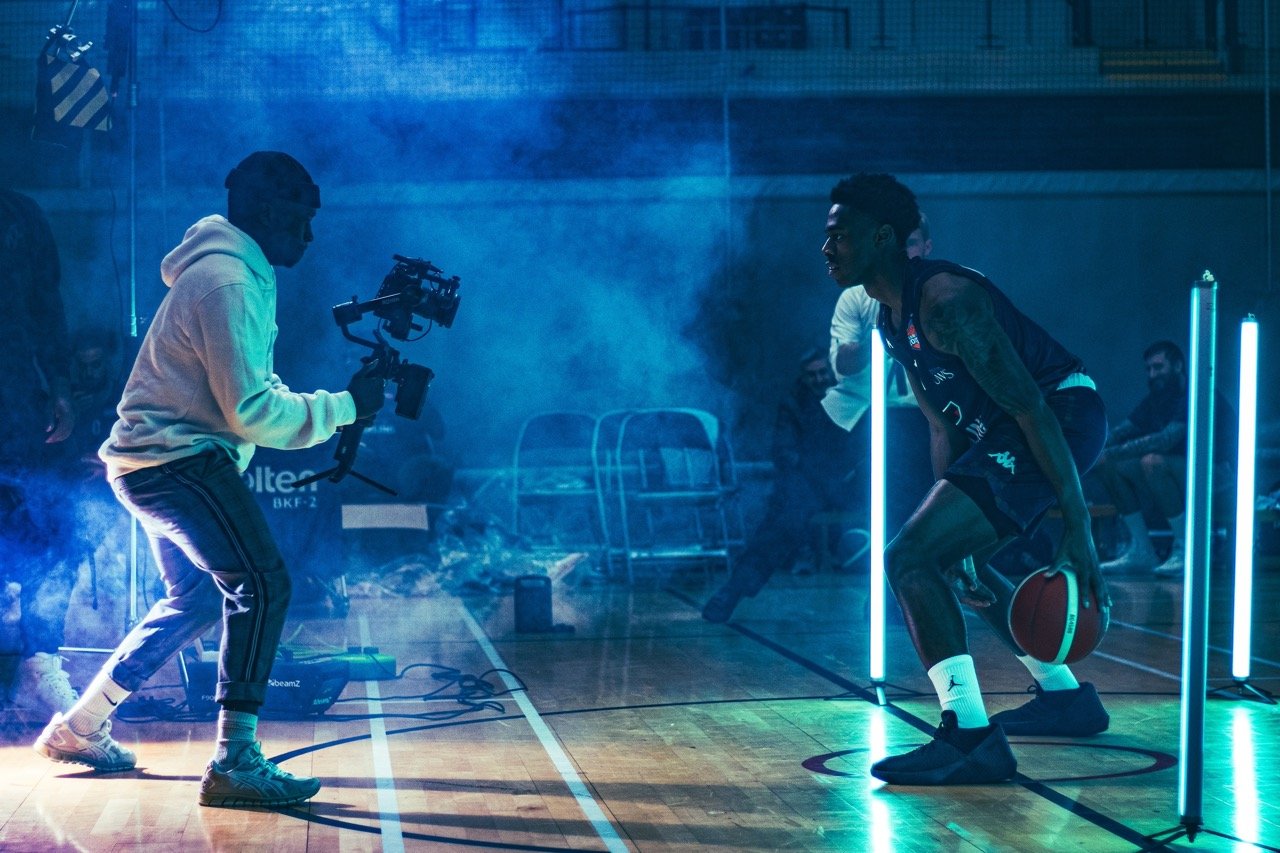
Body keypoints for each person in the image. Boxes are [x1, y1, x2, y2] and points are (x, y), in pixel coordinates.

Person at [32, 151, 387, 810]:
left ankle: (80, 727)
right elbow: (251, 411)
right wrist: (344, 407)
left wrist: (336, 406)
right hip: (177, 463)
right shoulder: (227, 281)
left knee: (196, 599)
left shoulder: (235, 272)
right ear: (267, 211)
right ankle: (235, 761)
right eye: (301, 219)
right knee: (263, 582)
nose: (309, 235)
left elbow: (253, 392)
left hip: (155, 463)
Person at [821, 173, 1111, 785]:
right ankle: (1065, 697)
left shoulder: (947, 303)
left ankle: (971, 739)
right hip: (1005, 431)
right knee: (948, 560)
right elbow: (940, 427)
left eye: (839, 235)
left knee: (907, 558)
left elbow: (1031, 407)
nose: (827, 248)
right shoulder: (890, 318)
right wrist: (945, 513)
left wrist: (1078, 525)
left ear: (881, 237)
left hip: (1060, 416)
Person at [701, 347, 859, 622]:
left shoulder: (852, 397)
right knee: (780, 525)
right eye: (812, 375)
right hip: (809, 483)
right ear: (803, 377)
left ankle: (892, 600)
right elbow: (784, 451)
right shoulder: (794, 403)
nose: (819, 379)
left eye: (823, 373)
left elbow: (862, 446)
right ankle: (733, 590)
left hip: (850, 482)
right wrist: (806, 477)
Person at [0, 188, 78, 719]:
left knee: (48, 533)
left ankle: (41, 664)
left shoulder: (18, 212)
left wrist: (60, 385)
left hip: (14, 402)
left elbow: (46, 303)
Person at [824, 213, 936, 541]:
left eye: (910, 243)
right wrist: (879, 328)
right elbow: (843, 363)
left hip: (923, 416)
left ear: (926, 247)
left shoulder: (943, 293)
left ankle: (907, 559)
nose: (902, 252)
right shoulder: (858, 297)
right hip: (864, 414)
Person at [1096, 340, 1235, 576]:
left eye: (1158, 367)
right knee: (1106, 464)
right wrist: (1090, 449)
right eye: (1149, 369)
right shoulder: (1156, 399)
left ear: (1178, 365)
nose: (1152, 374)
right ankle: (1142, 550)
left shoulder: (1198, 392)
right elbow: (1122, 431)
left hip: (1223, 476)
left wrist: (1112, 451)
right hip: (1185, 475)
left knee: (1152, 462)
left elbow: (1166, 440)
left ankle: (1186, 549)